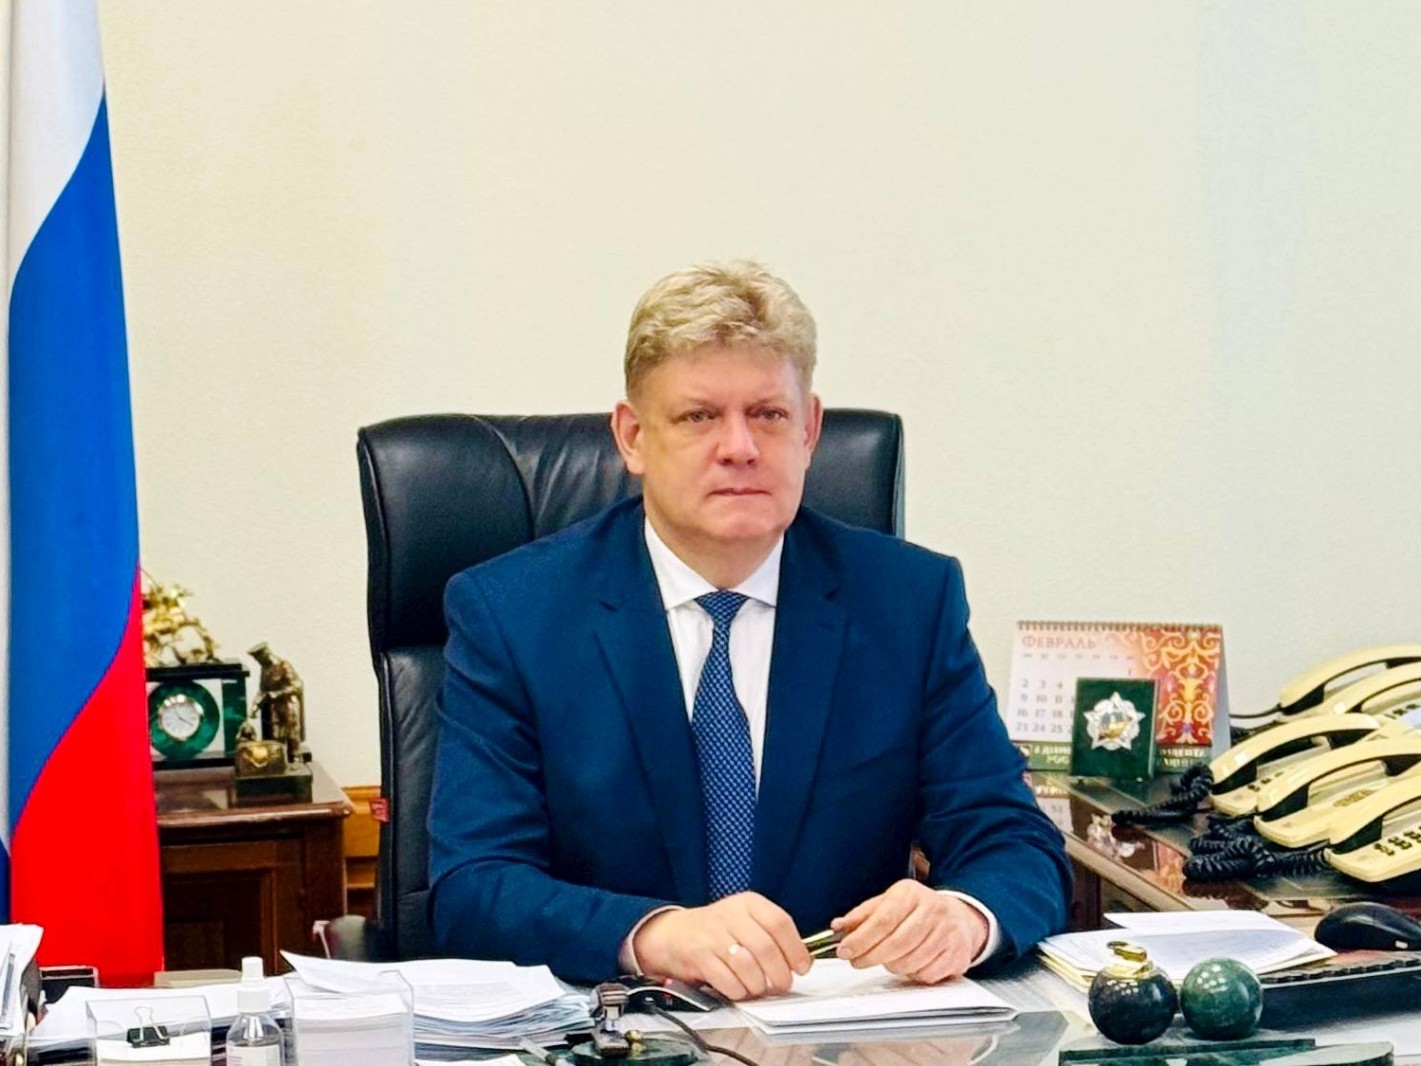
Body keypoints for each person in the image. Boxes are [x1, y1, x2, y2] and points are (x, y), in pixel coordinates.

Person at [428, 261, 1071, 998]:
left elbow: (1013, 842)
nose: (739, 447)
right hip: (621, 1029)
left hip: (844, 1035)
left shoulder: (908, 603)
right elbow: (473, 887)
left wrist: (964, 916)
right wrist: (655, 935)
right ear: (633, 437)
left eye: (768, 415)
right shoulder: (512, 613)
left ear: (810, 430)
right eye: (699, 417)